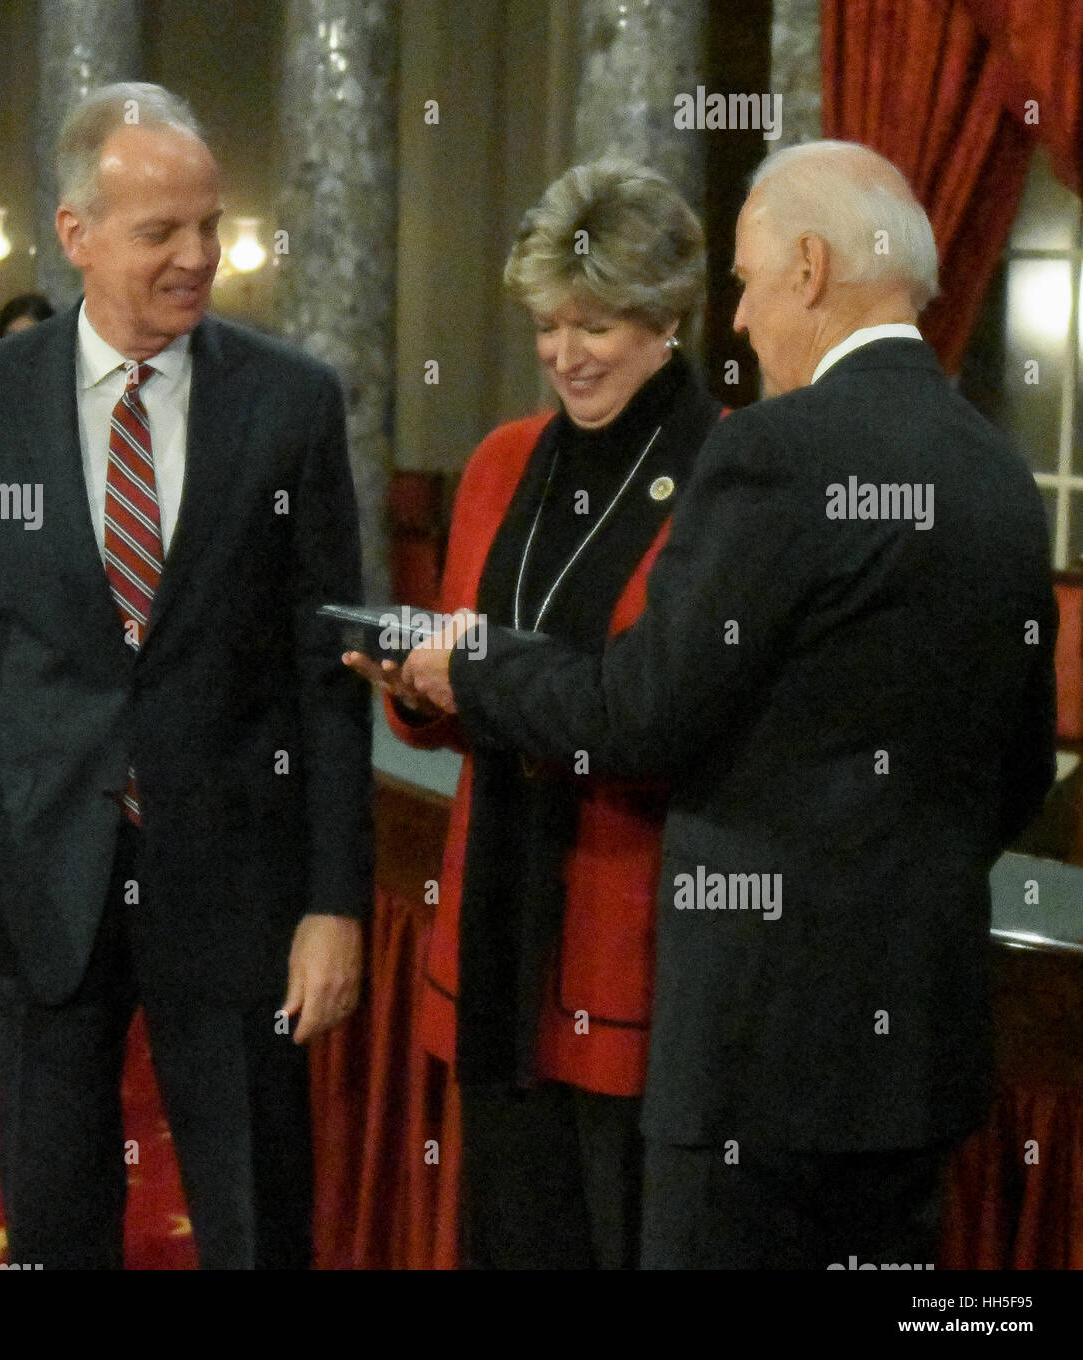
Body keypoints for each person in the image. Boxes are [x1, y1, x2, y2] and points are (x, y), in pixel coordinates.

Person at [404, 139, 1058, 1270]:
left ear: (807, 267)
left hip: (754, 1052)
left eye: (750, 284)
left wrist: (471, 669)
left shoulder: (771, 450)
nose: (743, 321)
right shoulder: (998, 467)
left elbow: (642, 714)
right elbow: (1015, 769)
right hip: (916, 1054)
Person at [0, 82, 373, 1270]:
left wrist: (335, 901)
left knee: (257, 1225)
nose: (198, 257)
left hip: (240, 893)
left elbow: (328, 674)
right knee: (54, 1227)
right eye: (160, 233)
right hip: (39, 880)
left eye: (209, 225)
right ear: (76, 233)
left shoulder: (291, 403)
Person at [347, 160, 720, 1268]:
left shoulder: (727, 470)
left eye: (594, 323)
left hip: (629, 930)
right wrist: (416, 691)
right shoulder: (503, 461)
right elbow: (476, 683)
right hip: (495, 918)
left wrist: (486, 678)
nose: (564, 354)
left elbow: (673, 719)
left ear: (667, 319)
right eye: (548, 324)